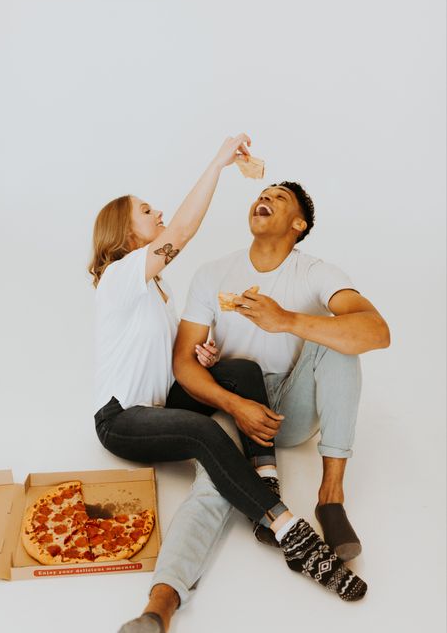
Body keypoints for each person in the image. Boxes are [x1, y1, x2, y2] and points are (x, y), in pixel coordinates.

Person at [89, 146, 368, 633]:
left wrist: (207, 361)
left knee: (239, 370)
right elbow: (181, 232)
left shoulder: (157, 289)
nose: (157, 213)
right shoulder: (121, 276)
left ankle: (267, 477)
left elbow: (170, 357)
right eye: (146, 210)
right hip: (122, 418)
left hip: (161, 402)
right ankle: (288, 529)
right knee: (204, 434)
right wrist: (220, 161)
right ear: (125, 231)